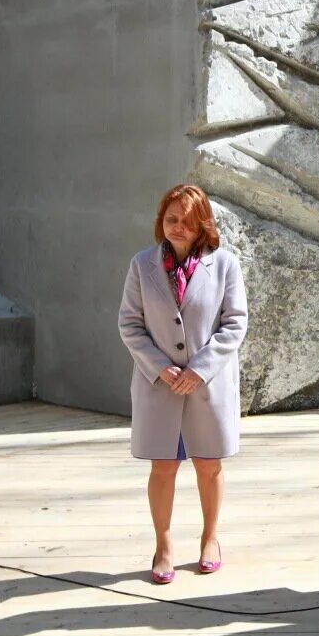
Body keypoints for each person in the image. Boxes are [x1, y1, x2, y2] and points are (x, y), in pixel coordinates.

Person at [118, 183, 247, 585]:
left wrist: (200, 368)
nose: (177, 228)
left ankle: (210, 538)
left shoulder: (224, 264)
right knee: (163, 466)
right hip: (160, 387)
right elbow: (130, 324)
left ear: (201, 225)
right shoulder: (142, 265)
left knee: (209, 465)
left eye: (187, 223)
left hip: (206, 386)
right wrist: (159, 366)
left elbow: (234, 323)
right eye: (171, 219)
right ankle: (164, 545)